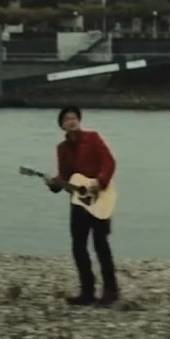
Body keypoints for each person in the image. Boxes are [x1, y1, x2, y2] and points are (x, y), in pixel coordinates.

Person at [45, 106, 119, 306]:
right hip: (78, 202)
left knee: (100, 244)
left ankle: (111, 291)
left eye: (74, 118)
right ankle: (87, 292)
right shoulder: (62, 148)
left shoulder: (93, 138)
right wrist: (54, 184)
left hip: (100, 197)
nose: (72, 121)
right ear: (62, 125)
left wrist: (99, 181)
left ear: (79, 121)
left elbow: (109, 162)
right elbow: (65, 177)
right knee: (78, 246)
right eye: (67, 119)